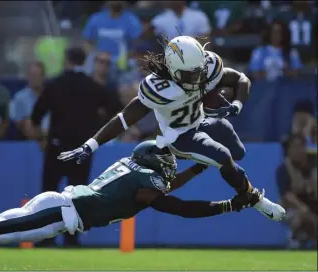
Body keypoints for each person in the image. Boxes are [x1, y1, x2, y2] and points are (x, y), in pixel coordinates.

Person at [0, 140, 261, 255]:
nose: (170, 168)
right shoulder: (146, 182)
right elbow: (176, 208)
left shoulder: (134, 170)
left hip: (59, 203)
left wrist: (195, 170)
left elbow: (160, 193)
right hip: (62, 213)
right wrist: (228, 205)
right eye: (170, 163)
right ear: (156, 161)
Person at [58, 35, 286, 222]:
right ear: (174, 71)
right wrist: (91, 144)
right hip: (180, 136)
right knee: (223, 157)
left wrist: (236, 104)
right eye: (191, 74)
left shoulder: (205, 67)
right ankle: (255, 199)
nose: (198, 78)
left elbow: (241, 79)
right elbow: (124, 119)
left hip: (202, 121)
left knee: (238, 154)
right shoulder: (159, 89)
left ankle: (220, 170)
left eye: (200, 71)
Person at [27, 47, 116, 247]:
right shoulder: (94, 86)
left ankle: (46, 238)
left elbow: (36, 116)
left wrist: (41, 136)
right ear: (84, 61)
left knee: (49, 194)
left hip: (57, 146)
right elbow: (113, 109)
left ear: (67, 59)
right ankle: (72, 238)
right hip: (82, 148)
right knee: (76, 195)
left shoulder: (55, 84)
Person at [276, 134, 317, 248]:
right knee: (299, 218)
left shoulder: (314, 165)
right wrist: (304, 209)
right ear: (288, 150)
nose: (298, 151)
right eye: (294, 147)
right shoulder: (284, 169)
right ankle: (295, 238)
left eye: (301, 147)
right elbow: (287, 196)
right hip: (294, 209)